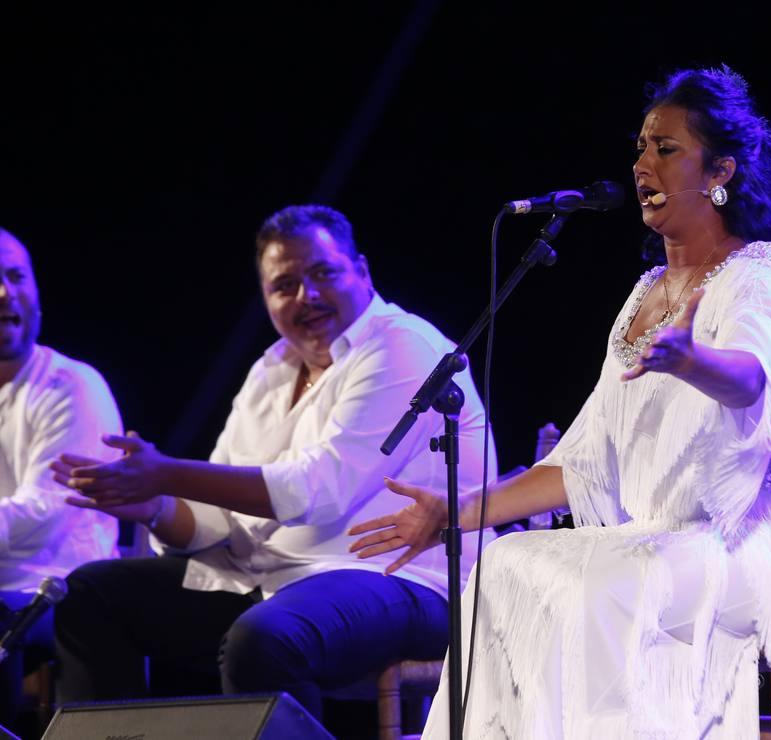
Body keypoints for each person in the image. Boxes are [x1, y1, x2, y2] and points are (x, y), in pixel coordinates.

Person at [350, 66, 771, 738]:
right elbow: (581, 464)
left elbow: (753, 379)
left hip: (759, 538)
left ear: (721, 173)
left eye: (666, 149)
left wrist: (694, 359)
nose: (642, 165)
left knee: (606, 588)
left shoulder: (760, 272)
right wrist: (457, 513)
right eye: (641, 148)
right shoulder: (645, 291)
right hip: (664, 538)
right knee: (504, 568)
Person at [51, 205, 499, 720]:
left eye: (323, 273)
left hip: (402, 581)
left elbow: (317, 490)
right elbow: (216, 518)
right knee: (90, 595)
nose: (306, 296)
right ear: (266, 299)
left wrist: (167, 472)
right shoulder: (272, 368)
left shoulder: (401, 346)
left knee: (265, 637)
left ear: (363, 270)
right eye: (284, 285)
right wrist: (154, 505)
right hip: (273, 578)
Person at [0, 229, 120, 726]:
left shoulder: (70, 385)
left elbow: (45, 511)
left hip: (58, 590)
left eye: (15, 276)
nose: (5, 293)